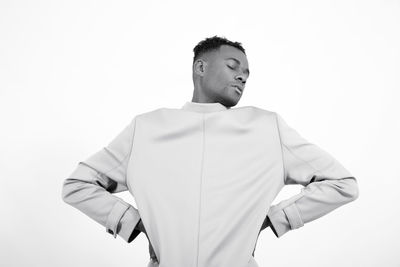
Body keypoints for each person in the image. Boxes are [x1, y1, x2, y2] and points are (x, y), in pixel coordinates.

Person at [61, 36, 359, 267]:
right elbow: (77, 185)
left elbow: (343, 184)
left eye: (246, 73)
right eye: (233, 66)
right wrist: (135, 224)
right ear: (200, 67)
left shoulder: (267, 127)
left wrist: (272, 219)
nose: (242, 76)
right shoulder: (147, 128)